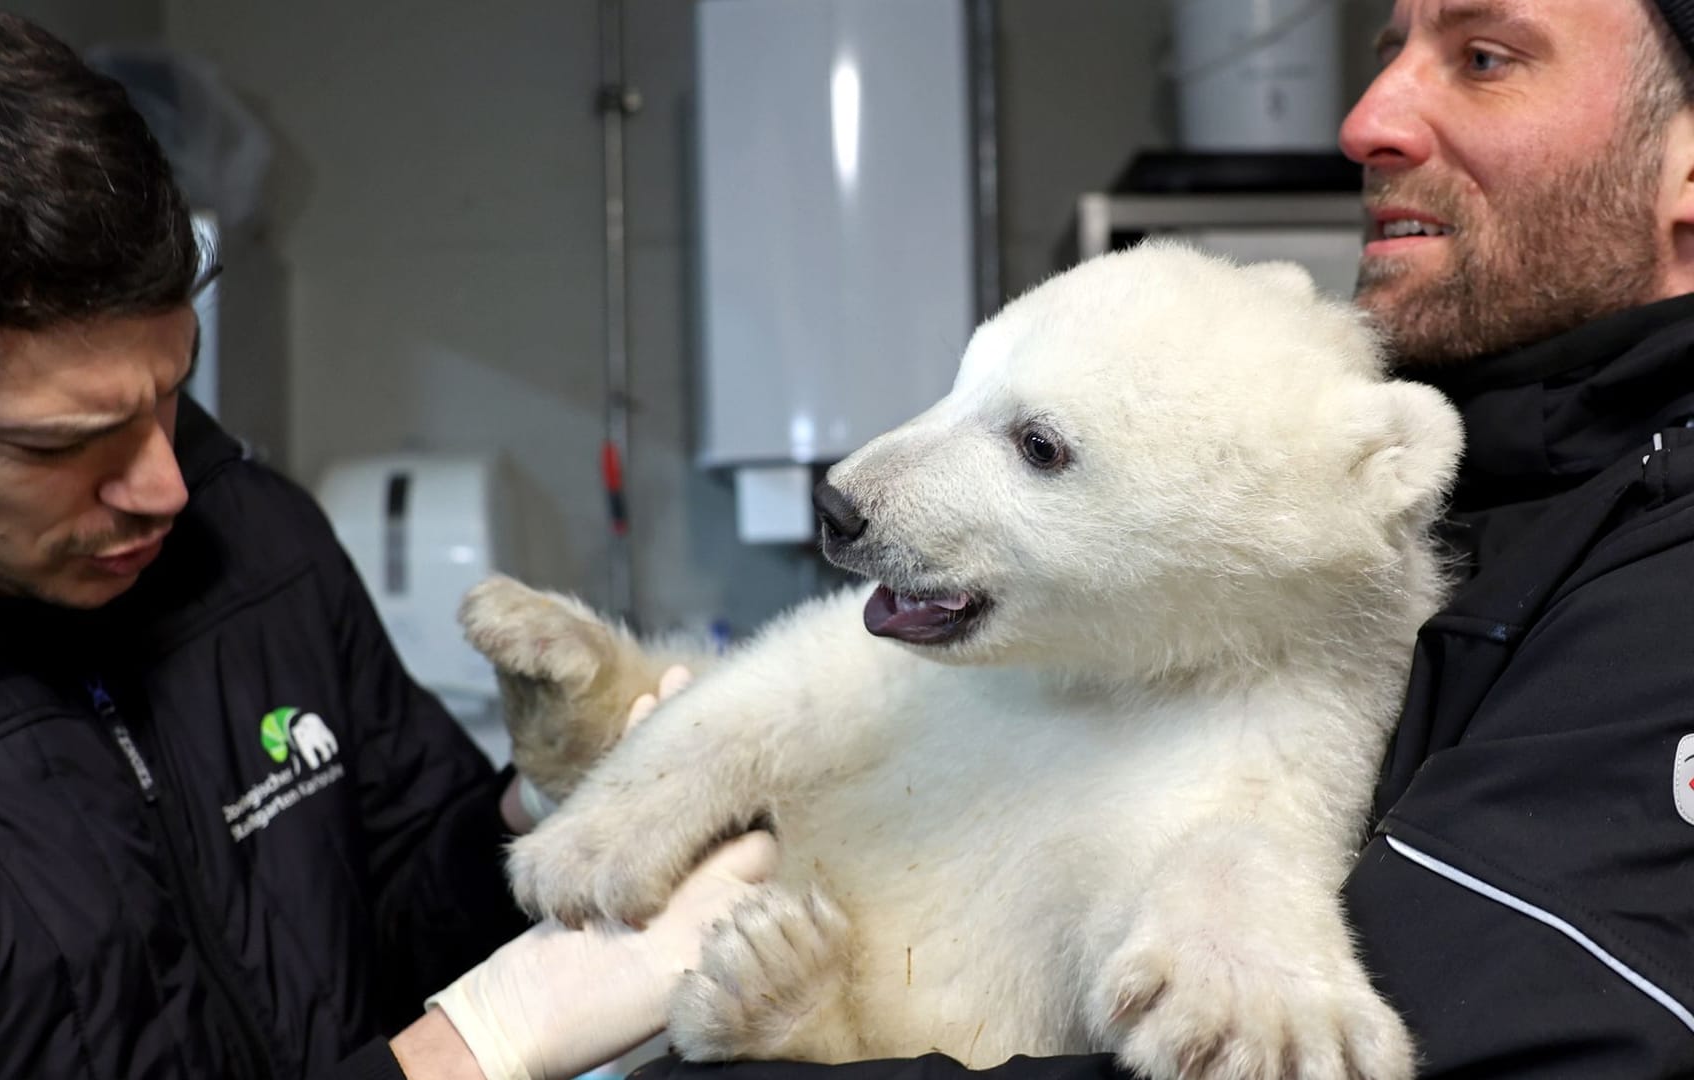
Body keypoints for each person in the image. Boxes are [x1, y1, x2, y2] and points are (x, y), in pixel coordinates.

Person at [613, 0, 1694, 1078]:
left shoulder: (1657, 587)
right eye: (1388, 53)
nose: (1366, 118)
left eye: (1485, 58)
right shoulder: (1462, 481)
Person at [0, 1, 775, 1078]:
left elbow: (396, 903)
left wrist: (544, 805)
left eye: (170, 390)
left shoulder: (251, 538)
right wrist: (483, 1042)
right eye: (62, 444)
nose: (162, 485)